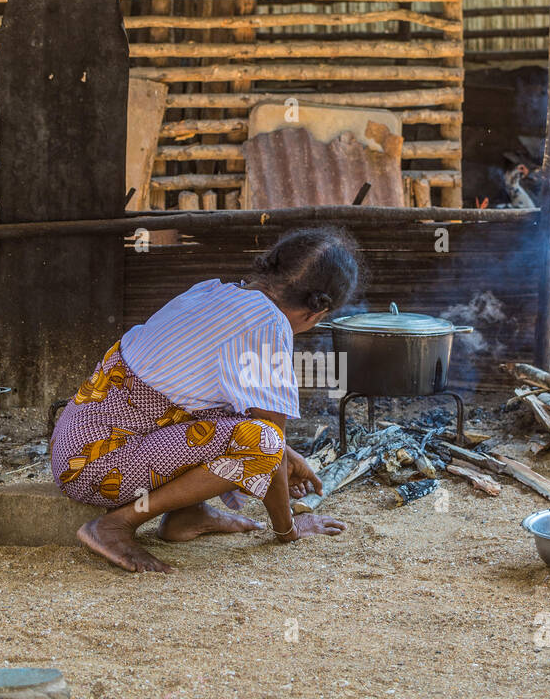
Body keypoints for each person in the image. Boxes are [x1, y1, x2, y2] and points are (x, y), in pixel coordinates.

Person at [51, 227, 359, 572]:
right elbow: (266, 443)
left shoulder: (211, 292)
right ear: (317, 312)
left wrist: (286, 453)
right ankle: (115, 523)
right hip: (98, 469)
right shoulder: (267, 324)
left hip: (75, 450)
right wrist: (288, 527)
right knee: (263, 441)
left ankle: (187, 514)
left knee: (235, 416)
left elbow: (195, 400)